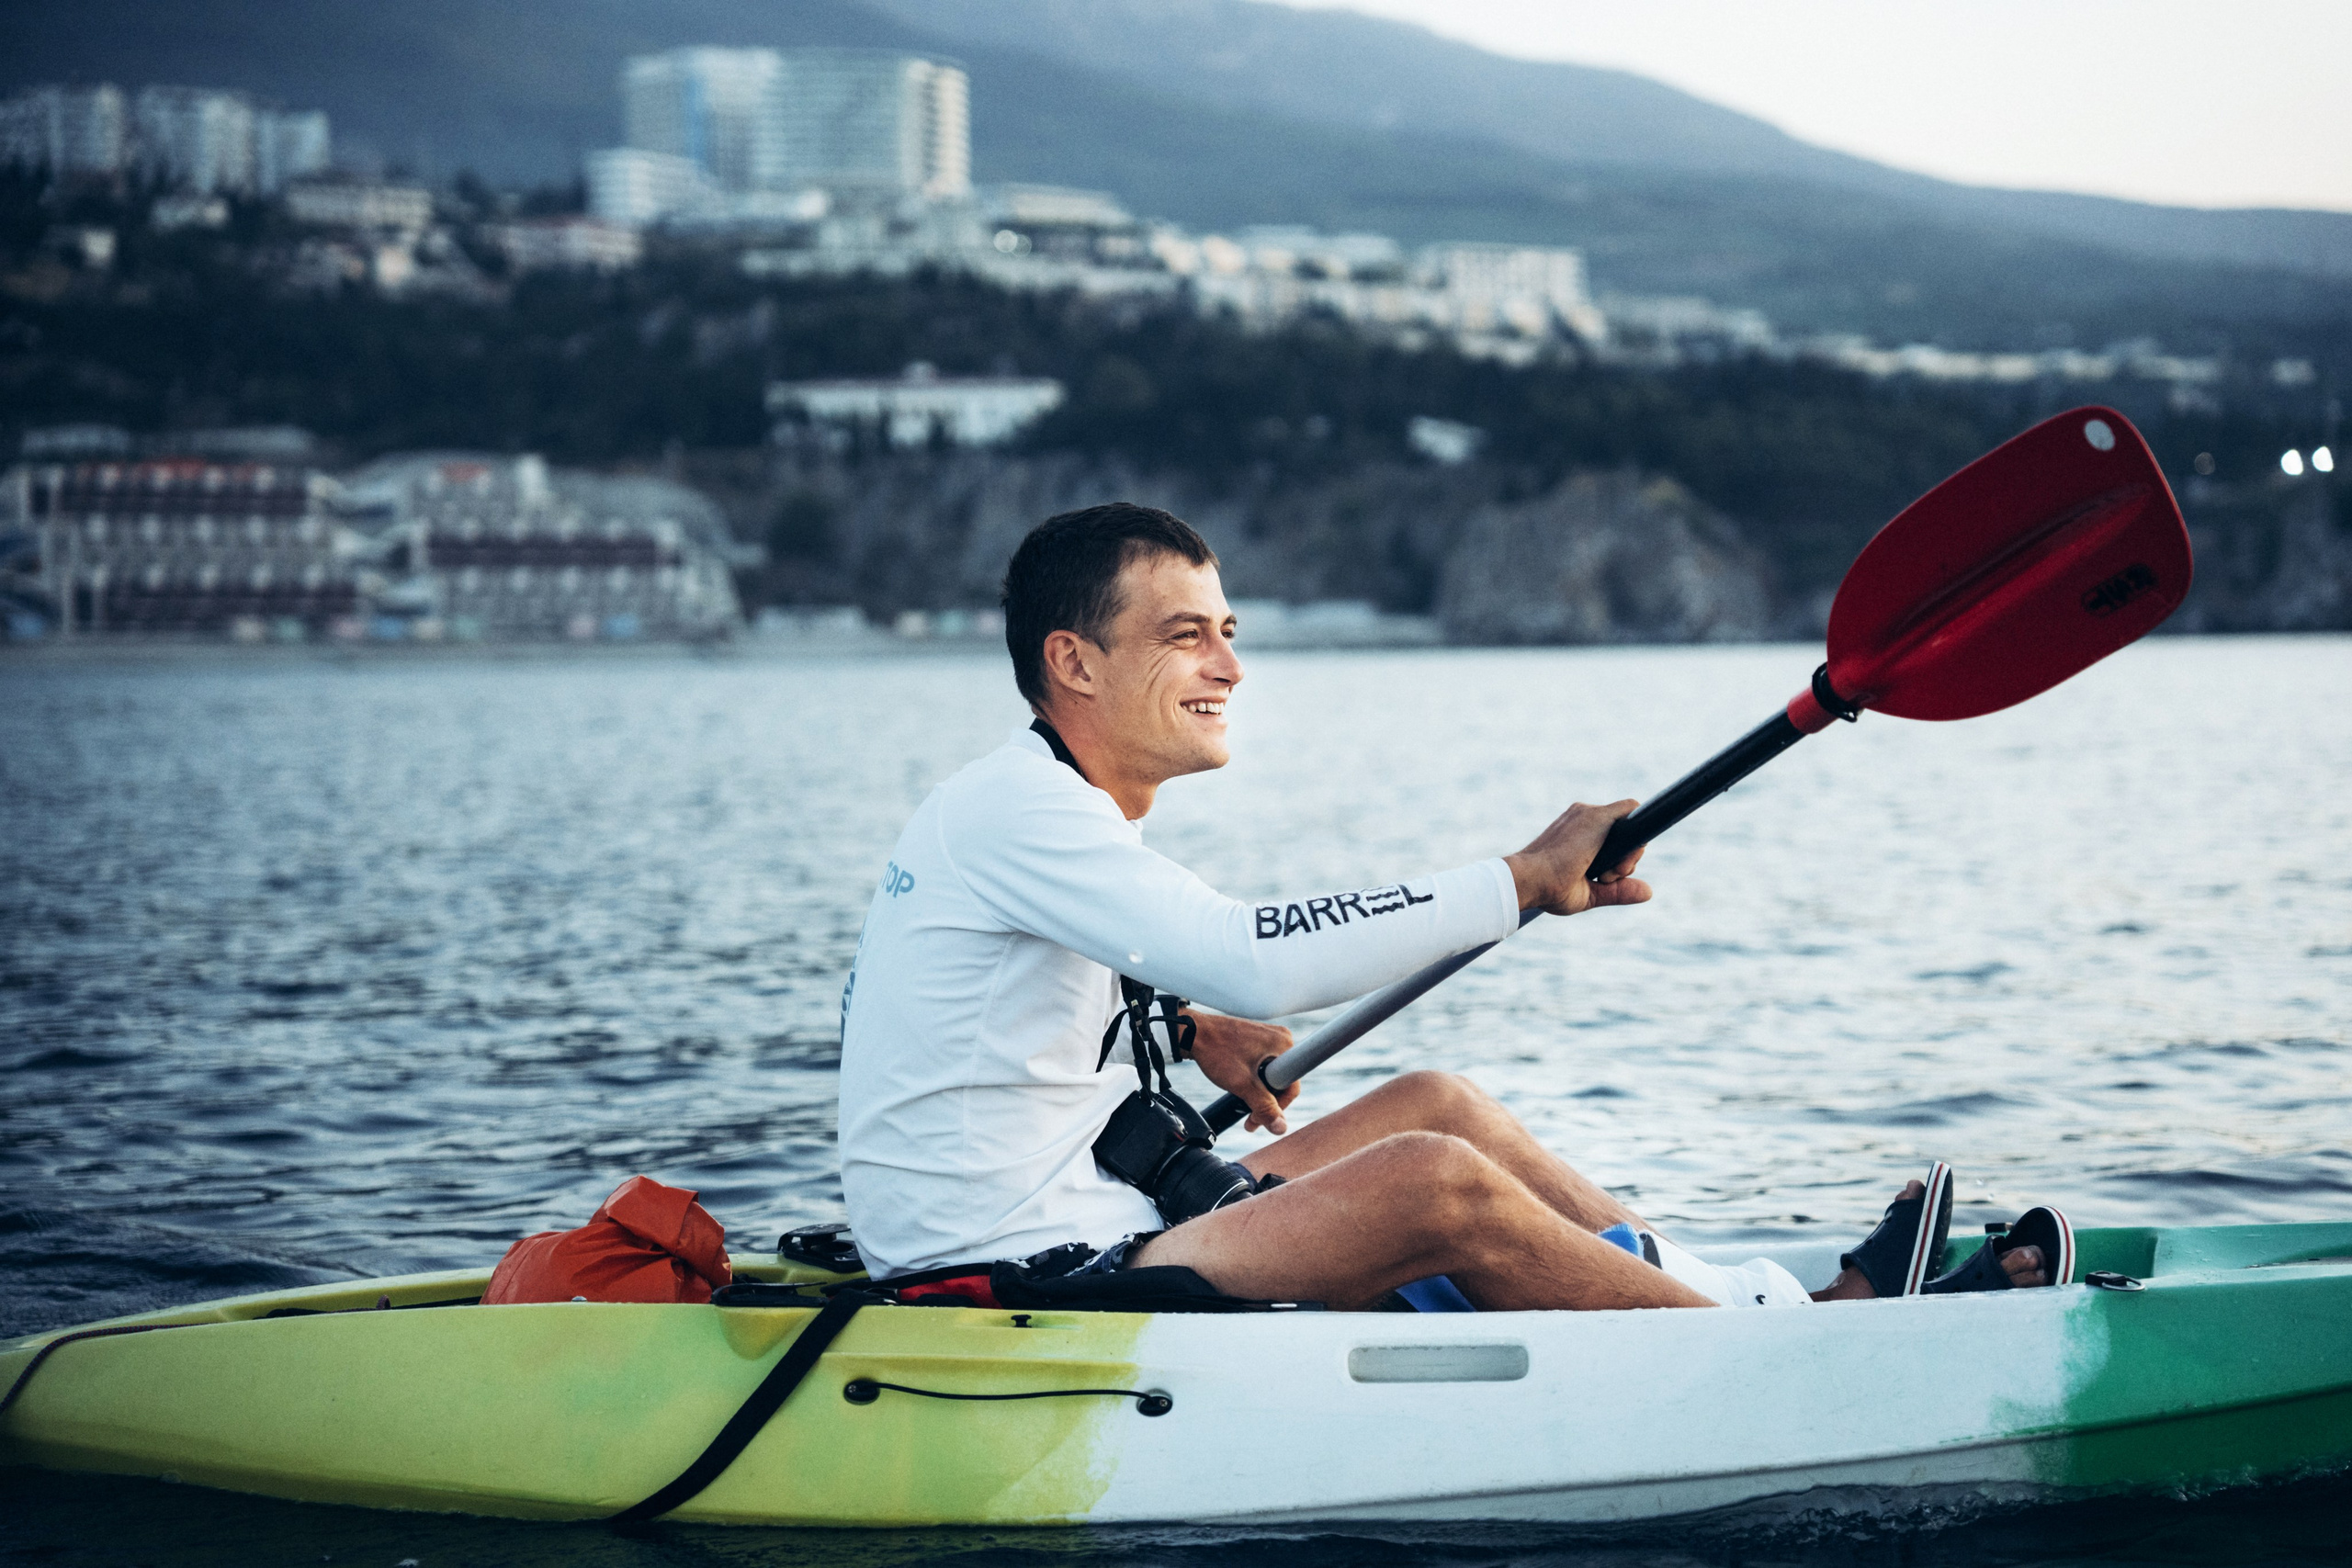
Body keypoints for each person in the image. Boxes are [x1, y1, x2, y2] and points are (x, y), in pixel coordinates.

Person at [836, 503, 2056, 1311]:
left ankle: (1754, 1299)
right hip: (1012, 1271)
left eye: (1229, 632)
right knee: (1428, 1182)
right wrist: (1519, 879)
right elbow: (1250, 953)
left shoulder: (1039, 808)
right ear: (1075, 663)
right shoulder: (1018, 813)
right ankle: (1796, 1360)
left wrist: (1185, 1024)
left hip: (1101, 1204)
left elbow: (1008, 1005)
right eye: (1186, 637)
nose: (1231, 666)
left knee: (1439, 1104)